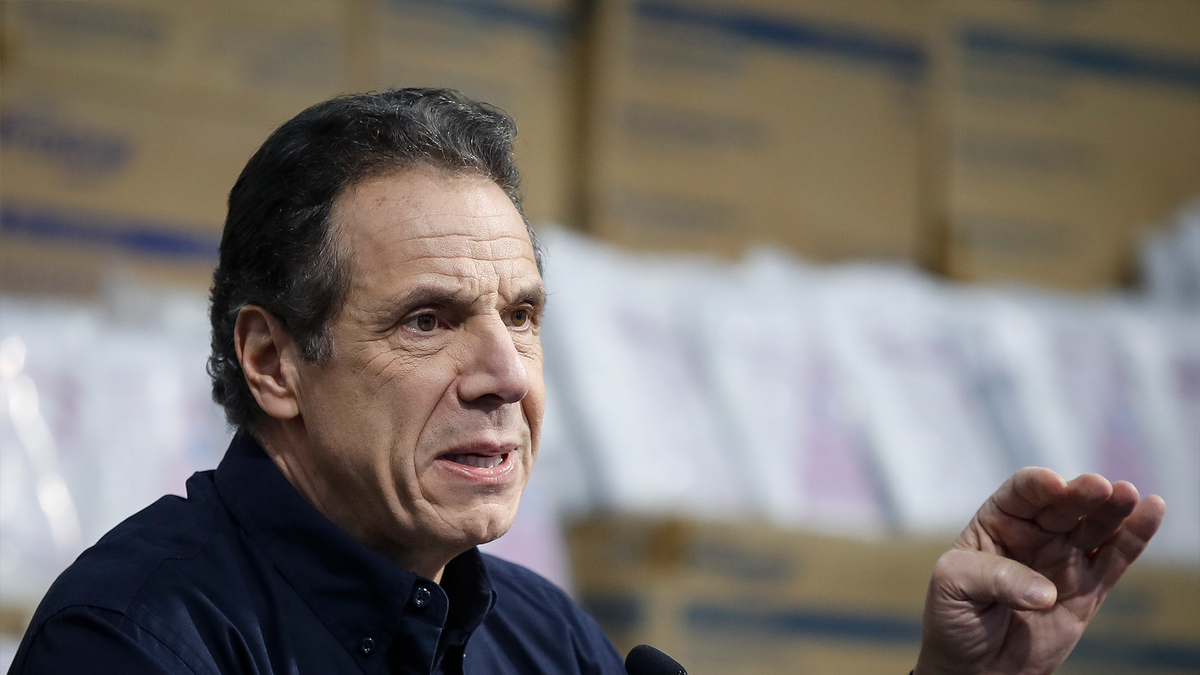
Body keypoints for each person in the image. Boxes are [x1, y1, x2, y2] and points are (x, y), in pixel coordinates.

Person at [8, 89, 1165, 675]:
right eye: (430, 321)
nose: (506, 374)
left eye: (523, 315)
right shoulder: (137, 642)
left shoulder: (538, 634)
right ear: (273, 362)